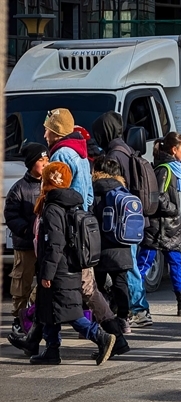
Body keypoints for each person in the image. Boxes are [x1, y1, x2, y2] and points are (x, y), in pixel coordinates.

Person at [9, 109, 128, 361]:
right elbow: (84, 197)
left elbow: (62, 192)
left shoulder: (62, 154)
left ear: (57, 132)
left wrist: (61, 215)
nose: (44, 134)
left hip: (67, 237)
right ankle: (39, 344)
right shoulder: (79, 152)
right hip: (76, 227)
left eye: (48, 129)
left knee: (79, 292)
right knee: (52, 295)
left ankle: (112, 337)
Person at [30, 162, 116, 366]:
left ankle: (101, 337)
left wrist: (47, 273)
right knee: (49, 311)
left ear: (50, 180)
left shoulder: (53, 208)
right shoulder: (70, 203)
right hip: (69, 266)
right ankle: (52, 350)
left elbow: (55, 243)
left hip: (59, 269)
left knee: (69, 312)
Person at [92, 111, 150, 330]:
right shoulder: (125, 148)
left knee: (126, 269)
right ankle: (134, 309)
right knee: (126, 267)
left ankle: (138, 310)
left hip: (118, 223)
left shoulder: (115, 155)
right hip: (131, 220)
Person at [137, 132, 181, 316]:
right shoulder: (165, 170)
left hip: (169, 227)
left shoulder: (173, 169)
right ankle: (133, 302)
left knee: (175, 263)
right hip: (159, 227)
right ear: (174, 150)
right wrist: (173, 209)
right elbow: (157, 197)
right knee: (144, 264)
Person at [4, 143, 48, 334]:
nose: (45, 163)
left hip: (45, 244)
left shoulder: (50, 185)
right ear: (31, 163)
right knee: (22, 282)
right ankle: (19, 317)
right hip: (26, 245)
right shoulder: (19, 189)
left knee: (45, 281)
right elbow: (11, 215)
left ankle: (36, 313)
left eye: (47, 159)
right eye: (41, 160)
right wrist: (26, 231)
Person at [91, 157, 133, 335]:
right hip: (121, 245)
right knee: (120, 283)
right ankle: (123, 320)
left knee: (96, 286)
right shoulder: (122, 190)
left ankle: (98, 321)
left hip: (99, 245)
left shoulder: (95, 191)